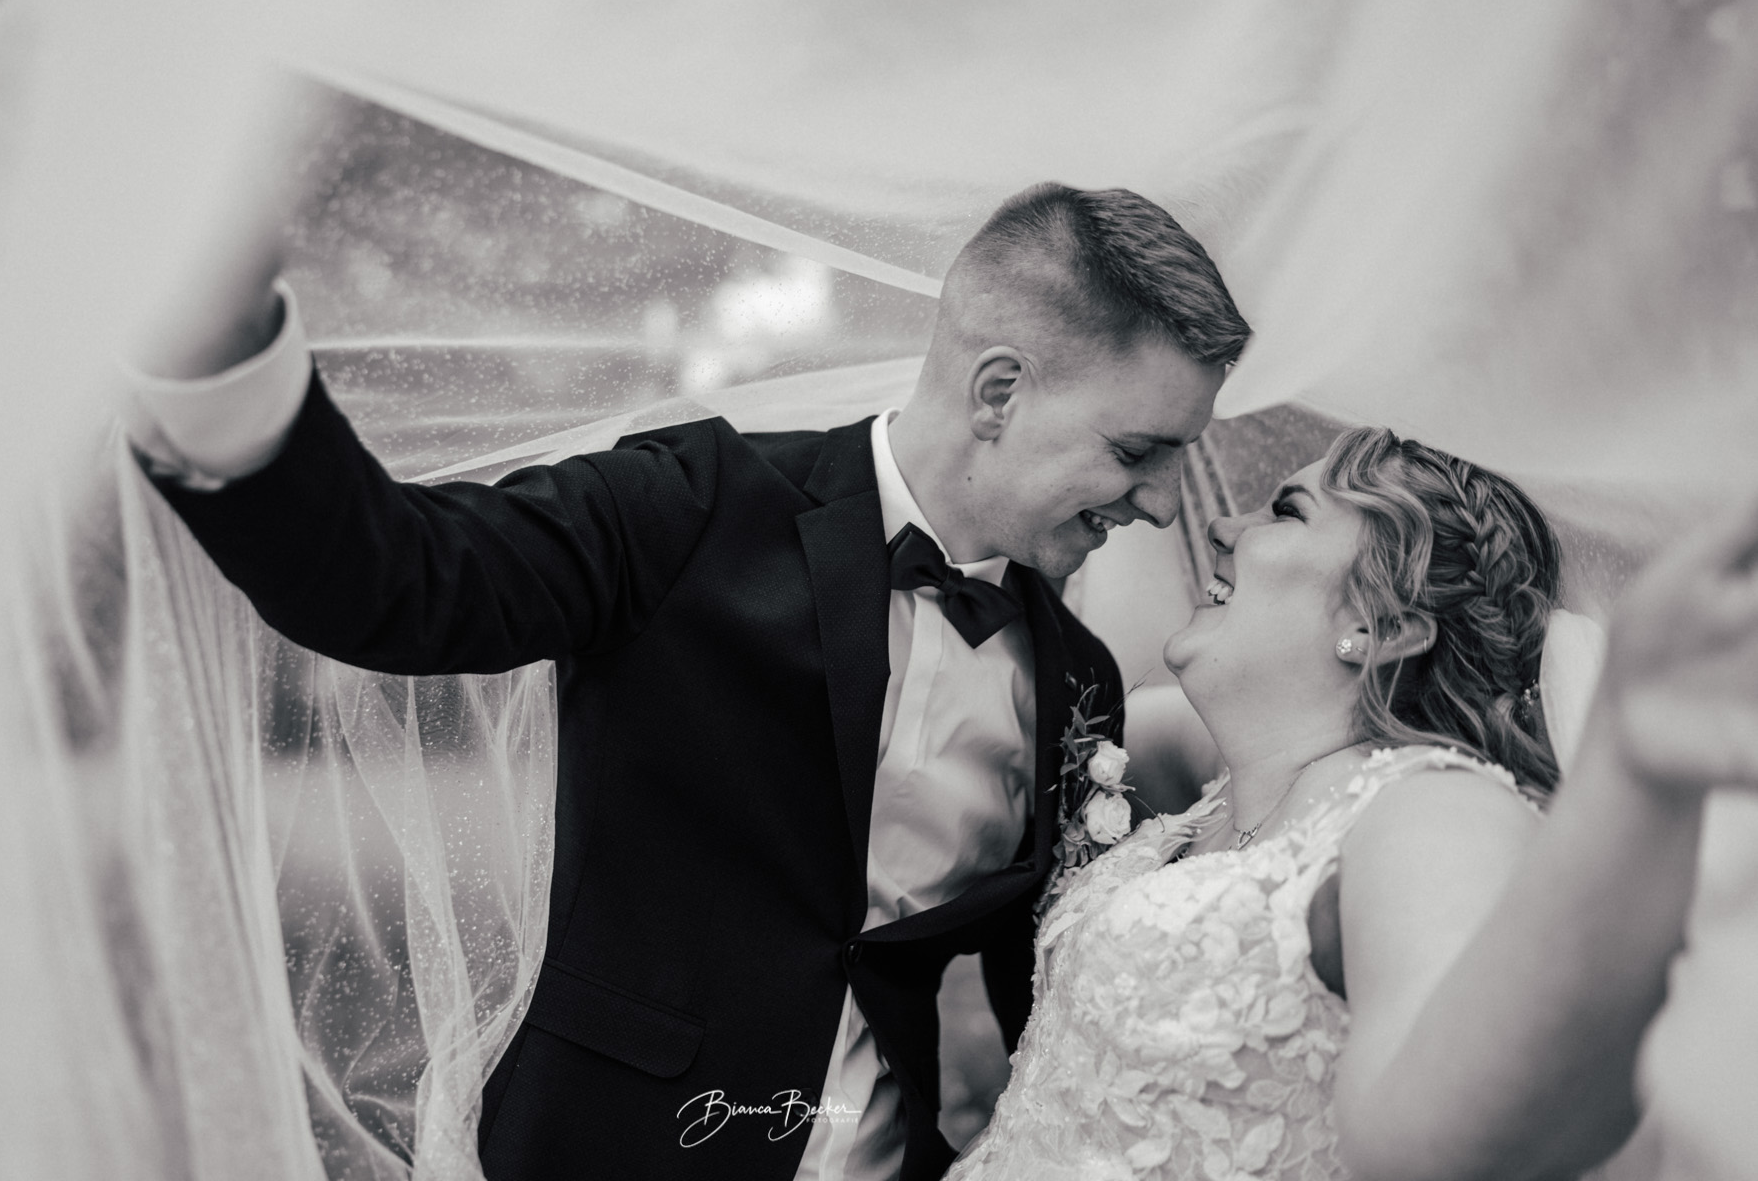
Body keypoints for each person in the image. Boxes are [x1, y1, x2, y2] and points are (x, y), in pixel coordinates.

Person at [126, 182, 1250, 1181]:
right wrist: (221, 349)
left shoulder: (1080, 680)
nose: (1161, 505)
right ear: (998, 392)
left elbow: (1054, 1002)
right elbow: (394, 582)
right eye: (1136, 453)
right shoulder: (691, 508)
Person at [950, 429, 1758, 1181]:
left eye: (1287, 510)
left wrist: (1631, 771)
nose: (1223, 526)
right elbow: (1058, 715)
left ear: (1383, 626)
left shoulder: (1431, 808)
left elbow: (1441, 1133)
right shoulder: (1226, 782)